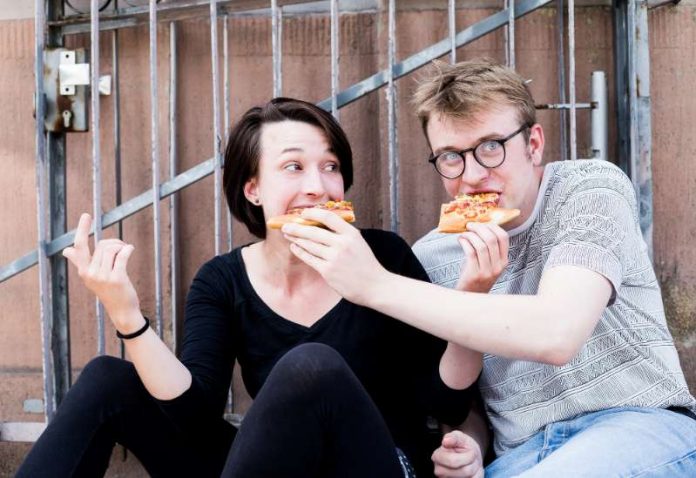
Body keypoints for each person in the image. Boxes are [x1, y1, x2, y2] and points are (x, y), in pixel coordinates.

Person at [16, 97, 483, 478]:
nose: (319, 187)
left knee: (311, 364)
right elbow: (195, 417)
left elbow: (448, 402)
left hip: (380, 463)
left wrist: (471, 295)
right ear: (253, 189)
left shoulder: (383, 256)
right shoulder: (222, 280)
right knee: (106, 379)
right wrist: (126, 316)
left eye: (331, 166)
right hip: (273, 466)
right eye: (294, 168)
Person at [281, 59, 696, 477]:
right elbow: (463, 405)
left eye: (491, 147)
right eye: (450, 157)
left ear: (533, 144)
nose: (474, 175)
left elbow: (557, 332)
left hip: (640, 426)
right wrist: (472, 449)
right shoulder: (434, 255)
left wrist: (373, 285)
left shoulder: (588, 188)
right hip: (519, 454)